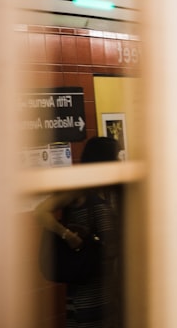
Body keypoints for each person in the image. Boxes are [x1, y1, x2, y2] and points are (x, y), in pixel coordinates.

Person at [35, 136, 121, 328]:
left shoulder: (112, 189)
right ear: (103, 160)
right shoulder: (80, 189)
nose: (119, 162)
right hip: (86, 284)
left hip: (109, 283)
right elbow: (41, 211)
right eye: (116, 156)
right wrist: (67, 235)